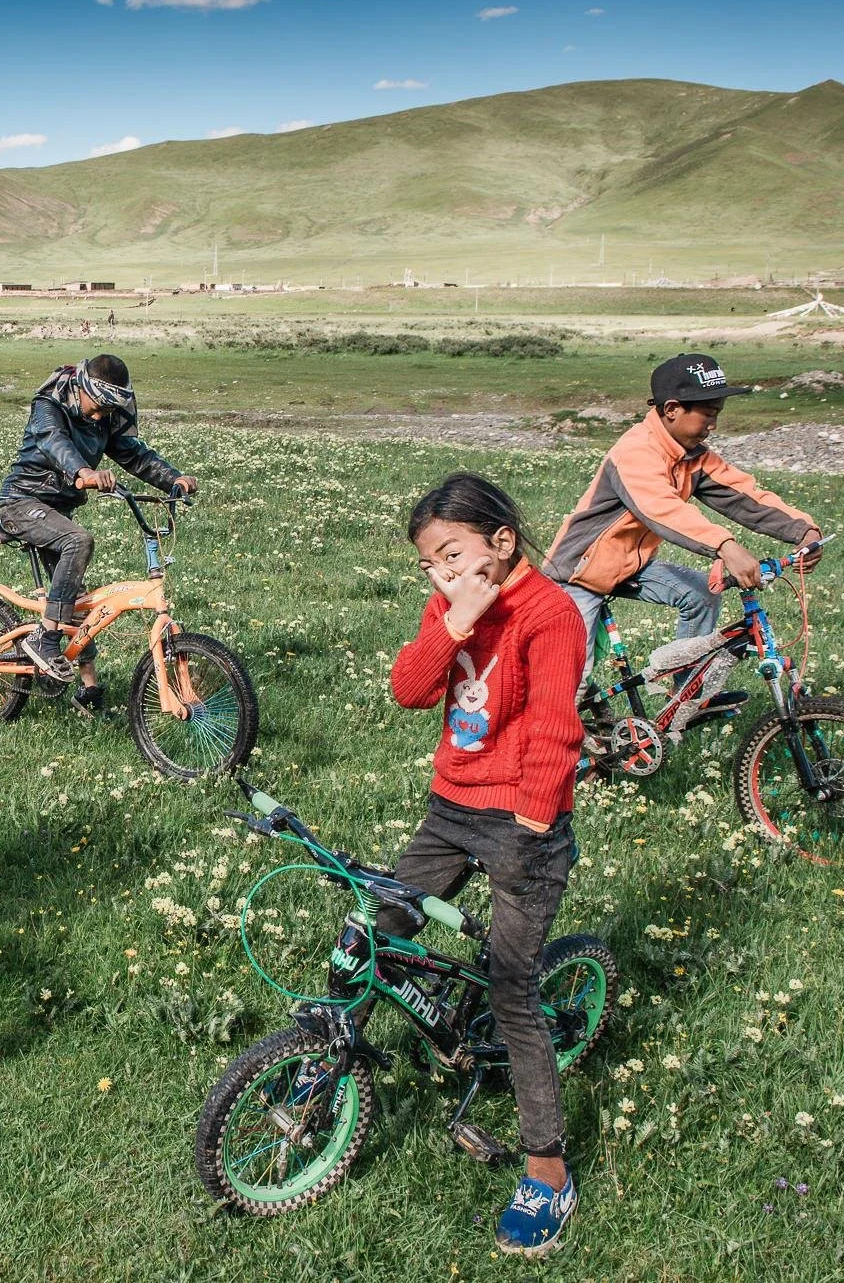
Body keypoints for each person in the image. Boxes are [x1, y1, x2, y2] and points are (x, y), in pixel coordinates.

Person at [385, 473, 588, 1258]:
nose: (440, 572)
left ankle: (548, 1173)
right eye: (429, 563)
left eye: (452, 554)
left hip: (523, 823)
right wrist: (456, 621)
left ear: (502, 541)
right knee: (376, 928)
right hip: (450, 809)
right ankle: (324, 1064)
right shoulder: (450, 607)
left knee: (512, 990)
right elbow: (410, 689)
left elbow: (555, 728)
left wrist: (531, 826)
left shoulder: (550, 612)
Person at [544, 353, 819, 714]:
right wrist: (726, 546)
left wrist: (803, 529)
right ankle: (556, 734)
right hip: (579, 572)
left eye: (717, 414)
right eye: (708, 414)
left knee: (702, 594)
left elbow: (744, 496)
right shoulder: (635, 451)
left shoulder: (693, 456)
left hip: (629, 565)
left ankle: (684, 699)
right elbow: (660, 508)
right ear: (672, 409)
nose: (713, 425)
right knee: (571, 680)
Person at [0, 353, 198, 704]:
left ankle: (88, 689)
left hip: (56, 511)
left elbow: (134, 454)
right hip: (21, 502)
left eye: (109, 410)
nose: (102, 416)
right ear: (83, 389)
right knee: (79, 540)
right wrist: (83, 472)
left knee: (78, 602)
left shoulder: (103, 418)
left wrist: (173, 478)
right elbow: (54, 442)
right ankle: (45, 639)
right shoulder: (49, 405)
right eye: (99, 406)